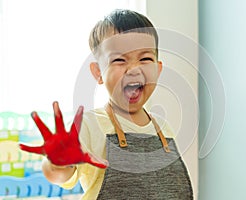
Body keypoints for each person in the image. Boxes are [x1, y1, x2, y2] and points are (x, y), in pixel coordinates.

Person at [20, 9, 193, 199]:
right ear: (98, 72)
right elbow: (60, 176)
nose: (134, 69)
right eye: (119, 60)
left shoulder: (163, 128)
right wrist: (57, 162)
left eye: (145, 59)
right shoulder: (90, 124)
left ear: (158, 69)